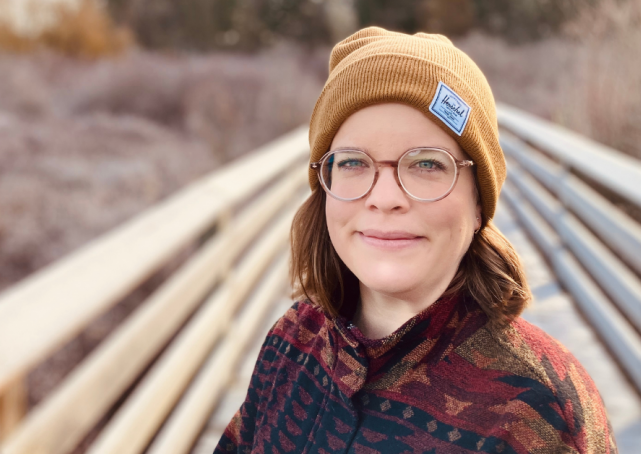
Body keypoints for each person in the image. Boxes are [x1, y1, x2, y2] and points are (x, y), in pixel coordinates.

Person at [214, 27, 616, 453]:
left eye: (427, 164)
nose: (385, 199)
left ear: (478, 201)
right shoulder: (293, 341)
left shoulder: (538, 408)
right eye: (353, 162)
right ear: (325, 185)